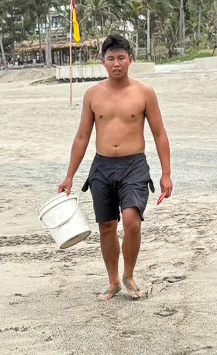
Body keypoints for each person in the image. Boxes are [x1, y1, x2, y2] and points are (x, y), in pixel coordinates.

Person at [58, 33, 172, 301]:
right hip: (102, 167)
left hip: (134, 165)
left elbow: (160, 134)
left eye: (121, 58)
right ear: (103, 62)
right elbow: (82, 137)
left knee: (132, 221)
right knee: (107, 226)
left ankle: (129, 275)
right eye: (111, 59)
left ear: (130, 60)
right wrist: (70, 175)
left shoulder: (144, 93)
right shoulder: (92, 95)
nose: (116, 63)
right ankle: (113, 281)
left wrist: (166, 173)